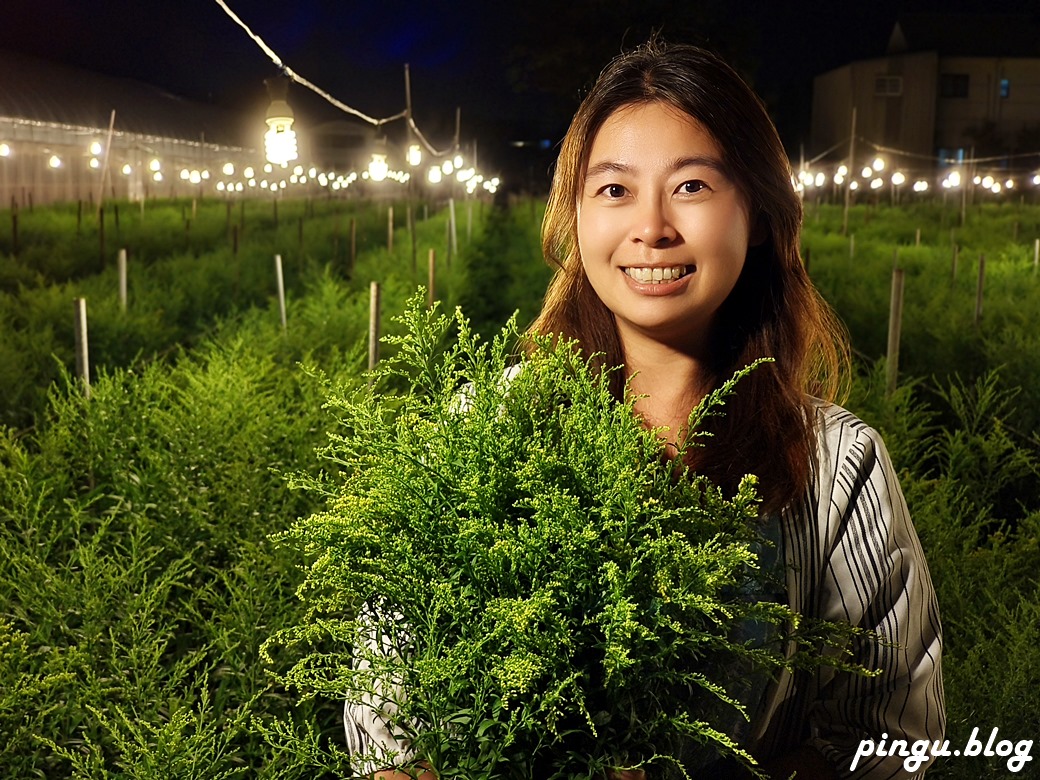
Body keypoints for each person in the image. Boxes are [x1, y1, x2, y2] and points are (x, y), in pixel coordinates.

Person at [347, 39, 944, 779]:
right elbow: (386, 699)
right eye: (615, 190)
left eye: (692, 186)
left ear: (756, 213)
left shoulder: (835, 462)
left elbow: (895, 738)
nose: (652, 227)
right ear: (576, 215)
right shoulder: (485, 424)